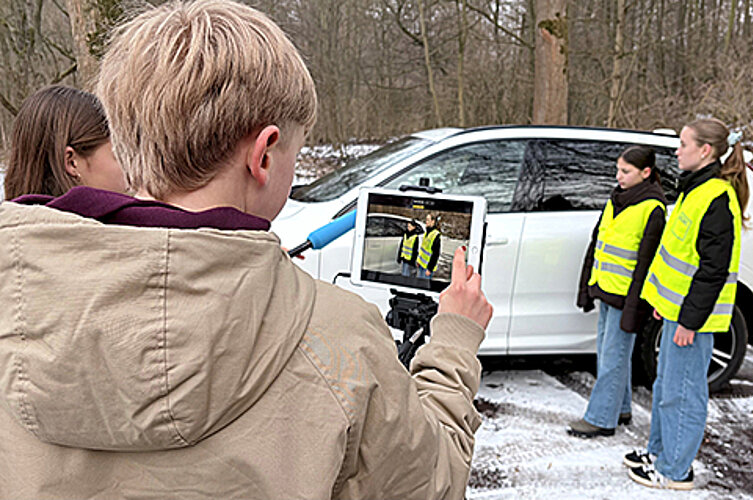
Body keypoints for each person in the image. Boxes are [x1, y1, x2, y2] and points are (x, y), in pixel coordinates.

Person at [0, 2, 492, 499]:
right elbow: (431, 483)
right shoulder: (342, 340)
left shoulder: (11, 293)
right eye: (294, 155)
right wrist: (453, 342)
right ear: (263, 154)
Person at [625, 118, 747, 490]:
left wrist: (690, 321)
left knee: (683, 394)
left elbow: (713, 270)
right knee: (666, 388)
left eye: (682, 144)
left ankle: (675, 470)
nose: (676, 151)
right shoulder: (695, 190)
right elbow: (681, 257)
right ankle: (660, 452)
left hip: (693, 322)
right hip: (676, 313)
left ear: (704, 150)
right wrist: (665, 305)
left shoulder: (716, 199)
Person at [568, 146, 666, 438]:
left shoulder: (652, 208)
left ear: (645, 173)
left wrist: (636, 308)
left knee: (614, 355)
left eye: (626, 171)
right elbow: (597, 242)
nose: (618, 176)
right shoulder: (617, 198)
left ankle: (601, 418)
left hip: (627, 298)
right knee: (609, 352)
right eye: (618, 169)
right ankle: (620, 407)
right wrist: (587, 287)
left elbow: (646, 265)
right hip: (606, 289)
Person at [2, 85, 125, 200]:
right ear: (71, 162)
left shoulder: (9, 219)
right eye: (117, 155)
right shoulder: (127, 220)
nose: (128, 169)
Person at [418, 212, 442, 280]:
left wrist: (430, 269)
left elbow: (435, 255)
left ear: (433, 222)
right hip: (422, 265)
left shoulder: (435, 235)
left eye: (428, 220)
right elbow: (423, 249)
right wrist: (418, 261)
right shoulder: (427, 232)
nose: (426, 222)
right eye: (426, 220)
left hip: (427, 269)